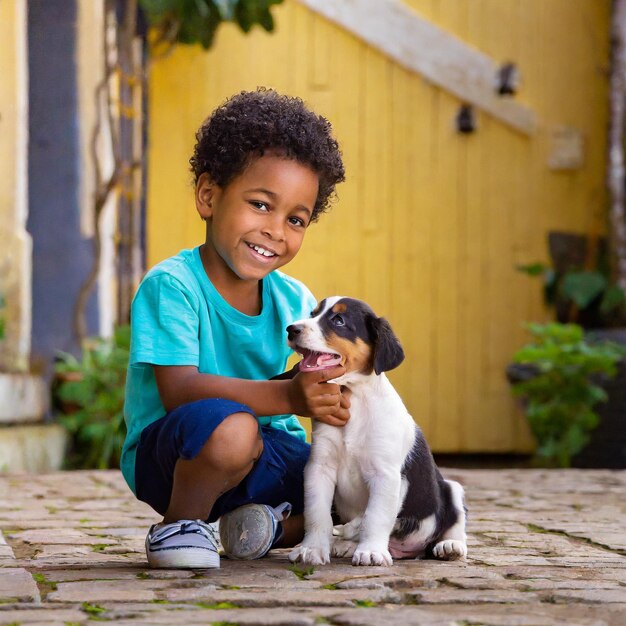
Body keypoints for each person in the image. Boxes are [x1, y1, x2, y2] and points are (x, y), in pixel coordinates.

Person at [121, 88, 350, 569]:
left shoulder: (295, 300)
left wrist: (313, 388)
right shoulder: (173, 285)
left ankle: (261, 527)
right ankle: (179, 525)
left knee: (351, 485)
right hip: (183, 454)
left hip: (264, 450)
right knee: (232, 430)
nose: (277, 231)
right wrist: (289, 398)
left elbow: (291, 388)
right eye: (261, 205)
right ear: (208, 196)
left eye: (296, 219)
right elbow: (181, 391)